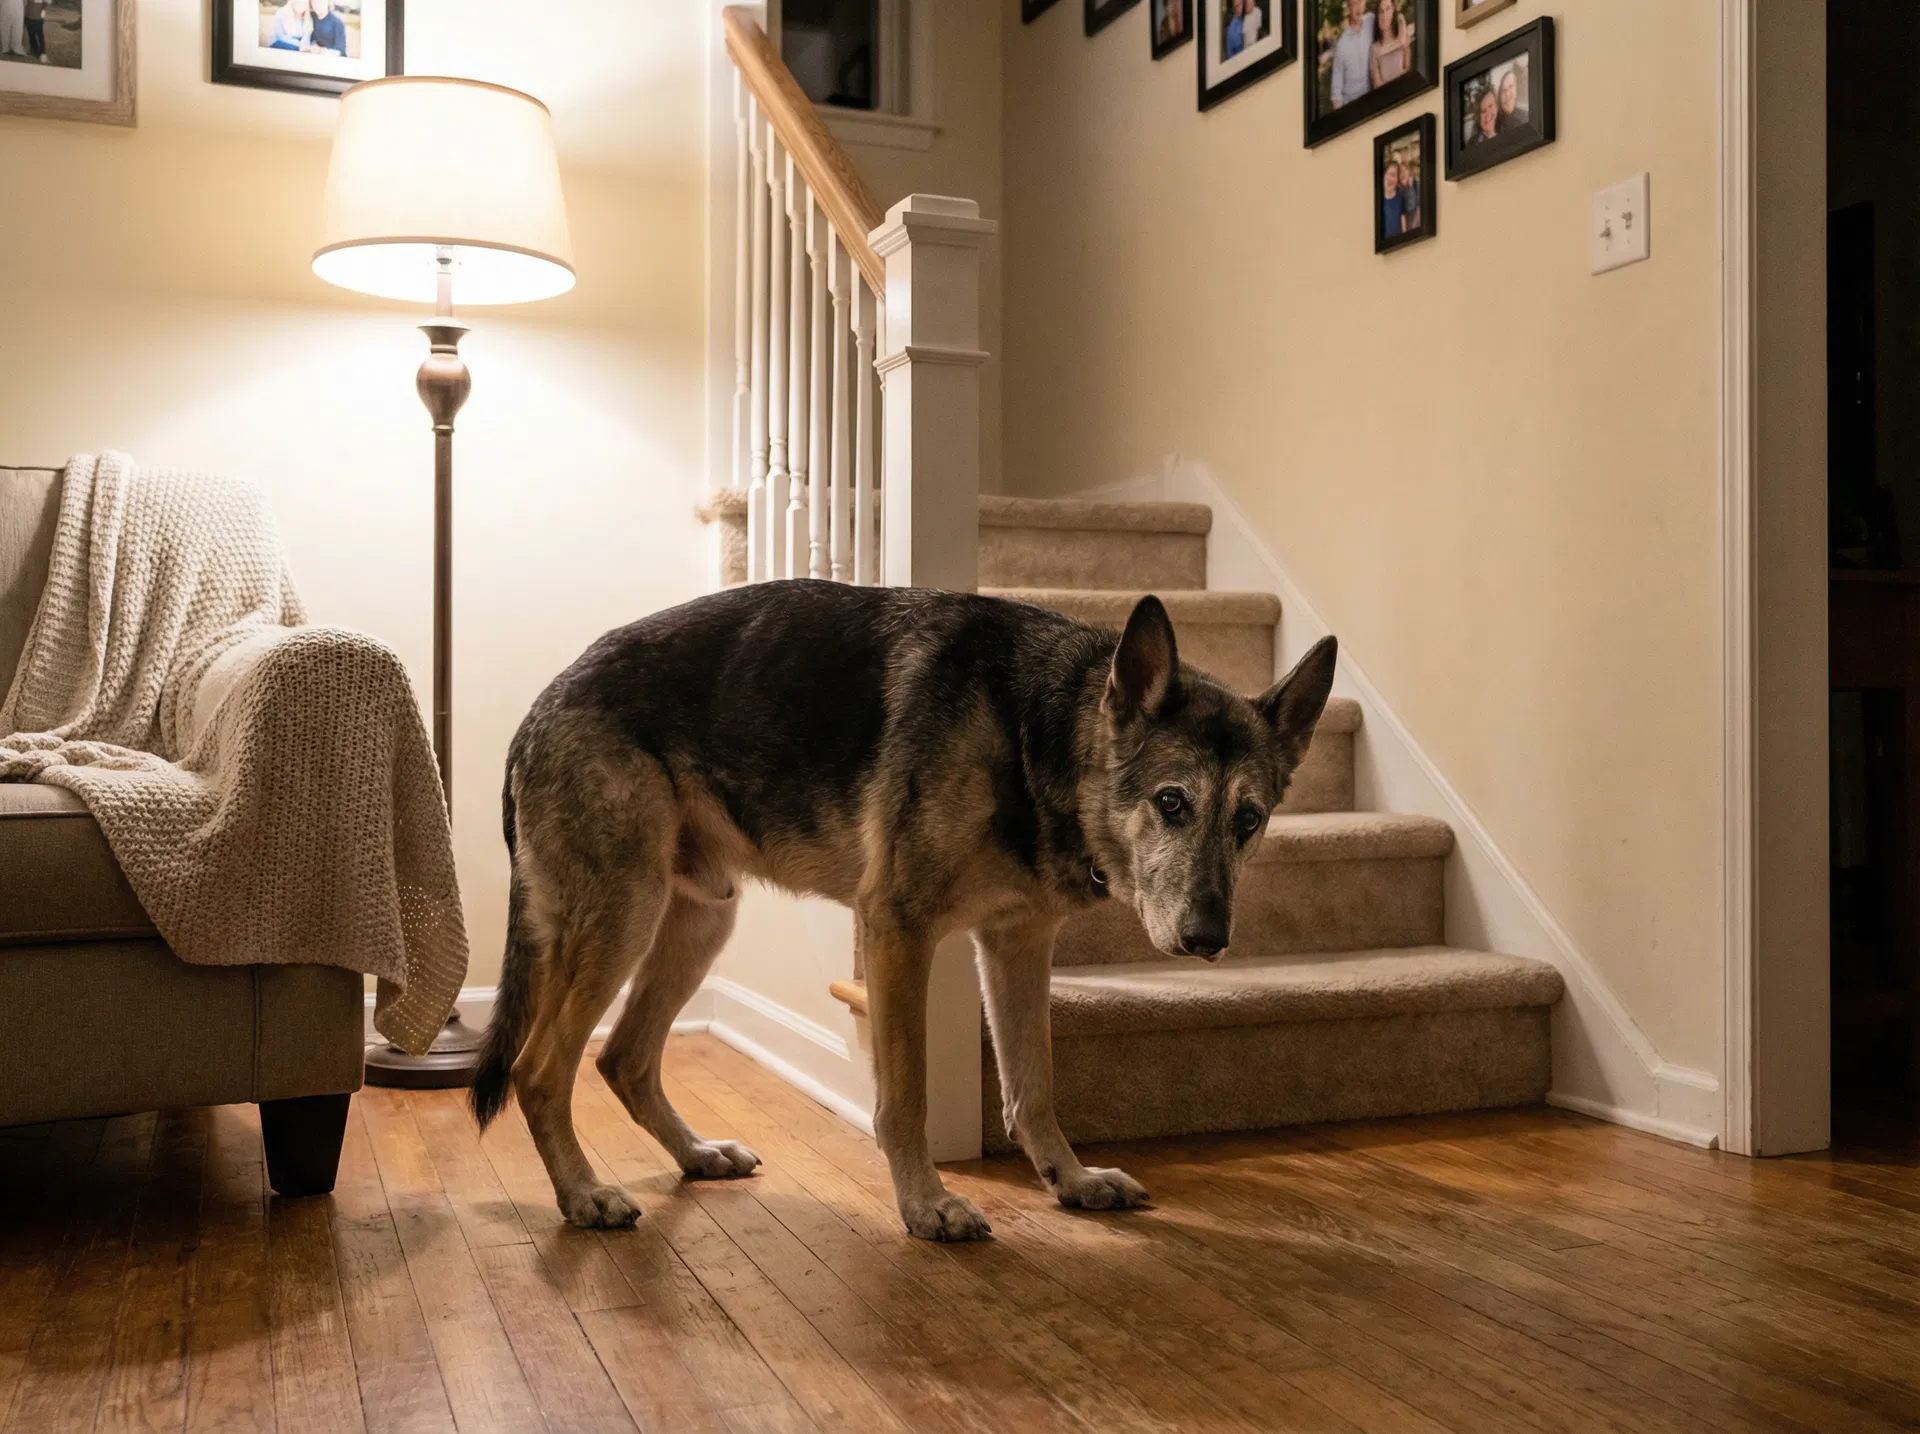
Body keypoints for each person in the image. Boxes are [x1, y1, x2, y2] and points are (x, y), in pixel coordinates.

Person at [1329, 0, 1375, 110]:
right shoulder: (1342, 45)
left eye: (1360, 2)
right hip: (1353, 106)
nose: (1358, 8)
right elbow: (1336, 91)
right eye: (1354, 3)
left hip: (1374, 99)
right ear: (1348, 7)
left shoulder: (1371, 20)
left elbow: (1390, 18)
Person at [1369, 0, 1408, 87]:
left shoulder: (1401, 37)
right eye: (1381, 11)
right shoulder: (1374, 49)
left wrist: (1401, 21)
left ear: (1393, 11)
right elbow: (1377, 85)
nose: (1384, 15)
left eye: (1388, 9)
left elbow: (1407, 67)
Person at [1496, 64, 1527, 132]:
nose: (1507, 94)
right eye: (1503, 90)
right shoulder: (1494, 123)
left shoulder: (1526, 117)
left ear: (1517, 89)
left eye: (1511, 87)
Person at [1381, 159, 1405, 238]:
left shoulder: (1400, 198)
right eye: (1390, 174)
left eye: (1394, 176)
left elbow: (1403, 225)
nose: (1391, 179)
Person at [1397, 155, 1420, 229]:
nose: (1402, 174)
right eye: (1400, 172)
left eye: (1405, 170)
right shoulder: (1398, 192)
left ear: (1409, 171)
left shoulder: (1416, 185)